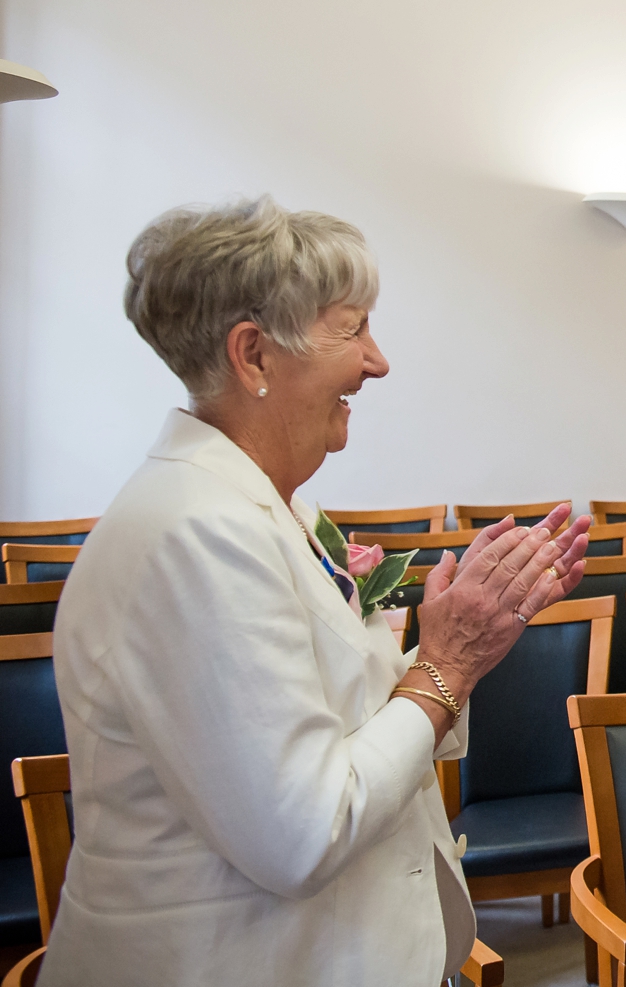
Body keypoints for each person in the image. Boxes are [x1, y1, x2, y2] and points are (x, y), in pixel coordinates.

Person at [42, 197, 592, 986]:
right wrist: (446, 664)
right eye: (352, 328)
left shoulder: (276, 507)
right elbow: (302, 830)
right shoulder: (196, 532)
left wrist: (445, 634)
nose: (377, 361)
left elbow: (336, 720)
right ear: (254, 355)